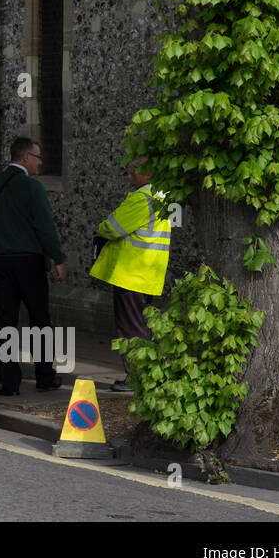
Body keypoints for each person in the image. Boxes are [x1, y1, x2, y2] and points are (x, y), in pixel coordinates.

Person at [0, 136, 68, 396]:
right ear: (24, 158)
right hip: (29, 263)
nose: (40, 162)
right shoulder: (33, 188)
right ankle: (45, 375)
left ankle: (10, 383)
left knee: (5, 322)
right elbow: (45, 228)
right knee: (39, 320)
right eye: (37, 157)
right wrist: (58, 258)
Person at [90, 157, 172, 391]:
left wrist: (102, 226)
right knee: (142, 326)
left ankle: (137, 377)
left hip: (130, 273)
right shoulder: (161, 199)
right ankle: (145, 374)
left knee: (130, 328)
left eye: (135, 169)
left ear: (148, 174)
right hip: (147, 273)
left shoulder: (142, 199)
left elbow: (112, 227)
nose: (130, 173)